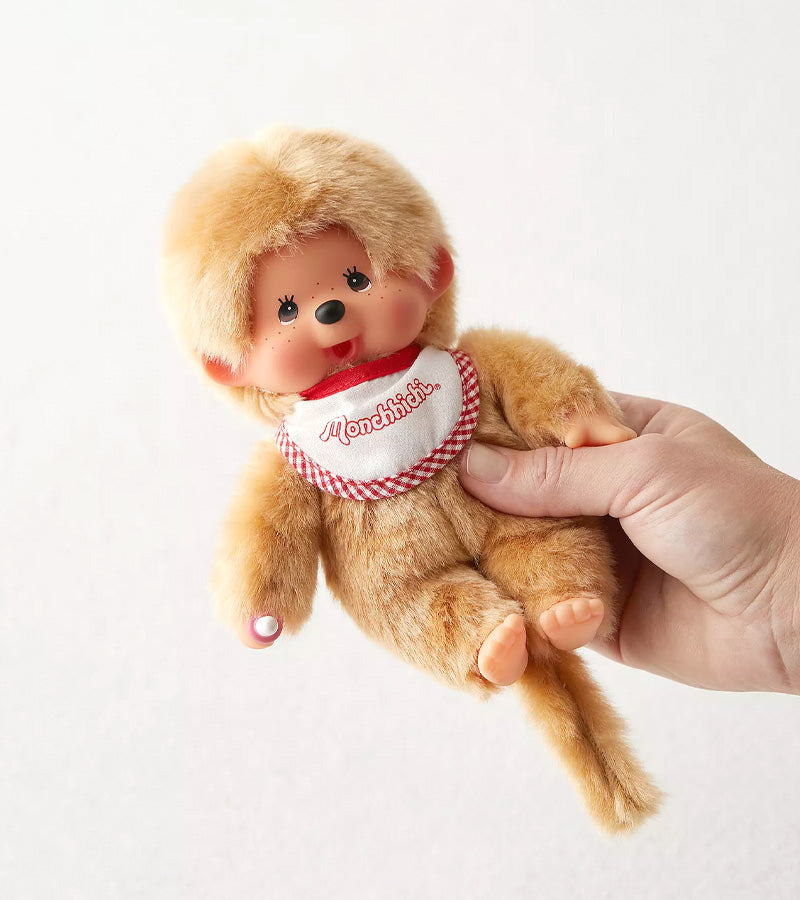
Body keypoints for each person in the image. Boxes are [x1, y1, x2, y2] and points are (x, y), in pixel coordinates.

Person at [458, 392, 800, 694]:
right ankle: (479, 645)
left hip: (530, 529)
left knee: (553, 547)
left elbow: (526, 370)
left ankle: (559, 599)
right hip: (444, 556)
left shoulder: (472, 368)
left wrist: (578, 411)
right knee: (438, 599)